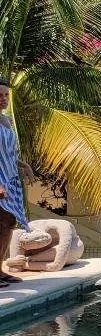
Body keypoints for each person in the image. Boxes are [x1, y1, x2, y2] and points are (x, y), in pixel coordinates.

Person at [0, 82, 28, 287]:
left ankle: (0, 270)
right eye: (0, 95)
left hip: (10, 179)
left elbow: (7, 152)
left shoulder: (6, 120)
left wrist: (22, 164)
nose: (3, 98)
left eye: (6, 95)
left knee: (8, 224)